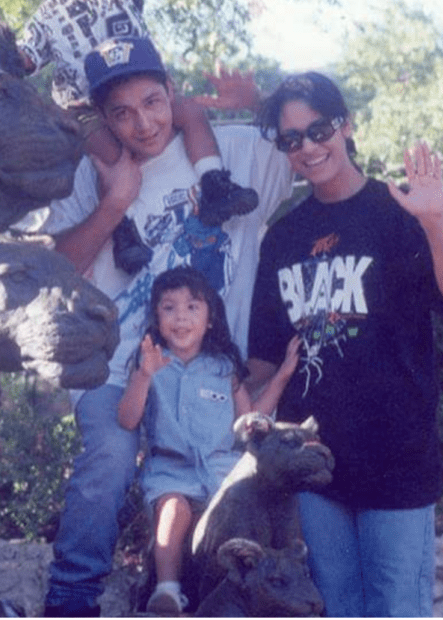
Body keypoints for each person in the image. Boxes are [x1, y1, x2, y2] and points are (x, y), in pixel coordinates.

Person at [15, 36, 292, 617]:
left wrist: (262, 102)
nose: (142, 123)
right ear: (103, 118)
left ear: (172, 92)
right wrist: (115, 202)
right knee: (110, 461)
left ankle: (195, 589)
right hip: (118, 364)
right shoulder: (87, 176)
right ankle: (71, 600)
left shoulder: (232, 150)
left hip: (208, 371)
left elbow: (323, 153)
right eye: (122, 112)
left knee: (217, 484)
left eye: (152, 101)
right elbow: (56, 269)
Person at [244, 71, 443, 617]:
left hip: (396, 458)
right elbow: (263, 357)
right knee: (335, 608)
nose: (308, 146)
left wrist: (434, 222)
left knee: (398, 608)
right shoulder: (281, 238)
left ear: (346, 126)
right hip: (314, 467)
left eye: (318, 129)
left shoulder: (397, 213)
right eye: (291, 139)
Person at [19, 0, 258, 274]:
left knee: (190, 111)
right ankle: (125, 230)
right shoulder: (46, 15)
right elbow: (25, 57)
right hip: (87, 108)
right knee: (111, 158)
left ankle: (214, 183)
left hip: (142, 88)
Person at [117, 266, 301, 615]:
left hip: (220, 472)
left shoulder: (223, 367)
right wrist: (144, 376)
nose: (181, 317)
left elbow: (248, 422)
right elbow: (126, 419)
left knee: (243, 514)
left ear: (210, 318)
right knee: (174, 508)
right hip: (172, 471)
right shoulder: (150, 364)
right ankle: (167, 591)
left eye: (192, 307)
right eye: (169, 308)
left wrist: (282, 376)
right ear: (156, 318)